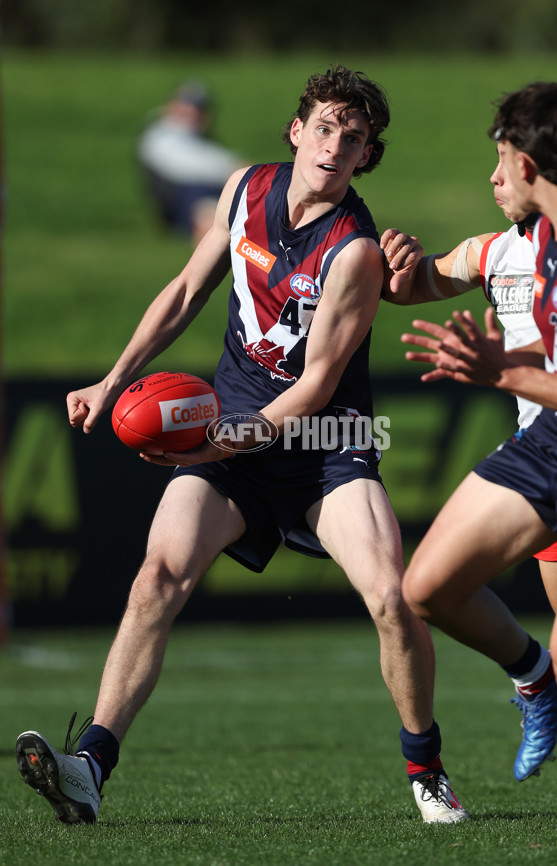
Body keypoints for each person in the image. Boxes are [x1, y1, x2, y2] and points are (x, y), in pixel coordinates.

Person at [15, 65, 467, 826]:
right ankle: (90, 765)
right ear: (297, 131)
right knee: (158, 575)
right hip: (232, 434)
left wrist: (220, 441)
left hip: (327, 445)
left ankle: (426, 768)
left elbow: (317, 385)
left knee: (392, 600)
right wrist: (111, 380)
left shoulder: (353, 249)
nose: (335, 145)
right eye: (324, 127)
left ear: (366, 158)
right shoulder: (242, 190)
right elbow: (186, 292)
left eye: (353, 139)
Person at [397, 81, 557, 852]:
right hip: (556, 443)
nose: (491, 178)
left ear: (527, 161)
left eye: (498, 163)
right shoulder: (538, 240)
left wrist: (503, 372)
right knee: (426, 587)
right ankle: (534, 679)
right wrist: (497, 355)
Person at [137, 81, 241, 242]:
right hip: (183, 201)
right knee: (208, 209)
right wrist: (235, 169)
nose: (191, 110)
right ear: (169, 107)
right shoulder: (160, 134)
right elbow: (184, 162)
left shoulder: (200, 139)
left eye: (197, 106)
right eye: (185, 103)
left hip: (208, 192)